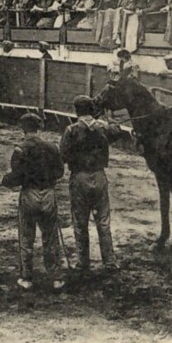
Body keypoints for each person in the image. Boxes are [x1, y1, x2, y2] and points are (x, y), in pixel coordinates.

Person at [1, 112, 66, 291]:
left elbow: (16, 177)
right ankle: (56, 278)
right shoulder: (51, 147)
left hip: (29, 194)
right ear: (39, 127)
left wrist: (4, 180)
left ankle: (27, 278)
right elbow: (60, 172)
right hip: (48, 194)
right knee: (51, 236)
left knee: (26, 236)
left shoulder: (20, 149)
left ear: (23, 128)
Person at [60, 96, 124, 272]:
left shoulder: (71, 130)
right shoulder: (102, 127)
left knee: (80, 221)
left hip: (79, 177)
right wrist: (109, 117)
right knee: (103, 220)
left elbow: (63, 156)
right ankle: (110, 261)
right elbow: (116, 131)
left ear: (76, 110)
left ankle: (83, 262)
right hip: (99, 175)